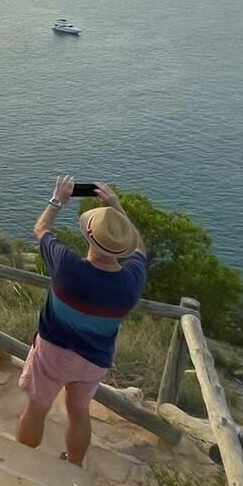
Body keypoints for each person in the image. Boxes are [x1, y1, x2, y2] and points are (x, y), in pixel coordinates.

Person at [17, 178, 146, 467]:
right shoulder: (131, 282)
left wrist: (57, 200)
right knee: (79, 411)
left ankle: (22, 461)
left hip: (52, 353)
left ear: (88, 235)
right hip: (93, 360)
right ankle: (74, 465)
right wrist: (118, 209)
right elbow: (140, 251)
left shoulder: (67, 266)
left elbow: (40, 229)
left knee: (37, 407)